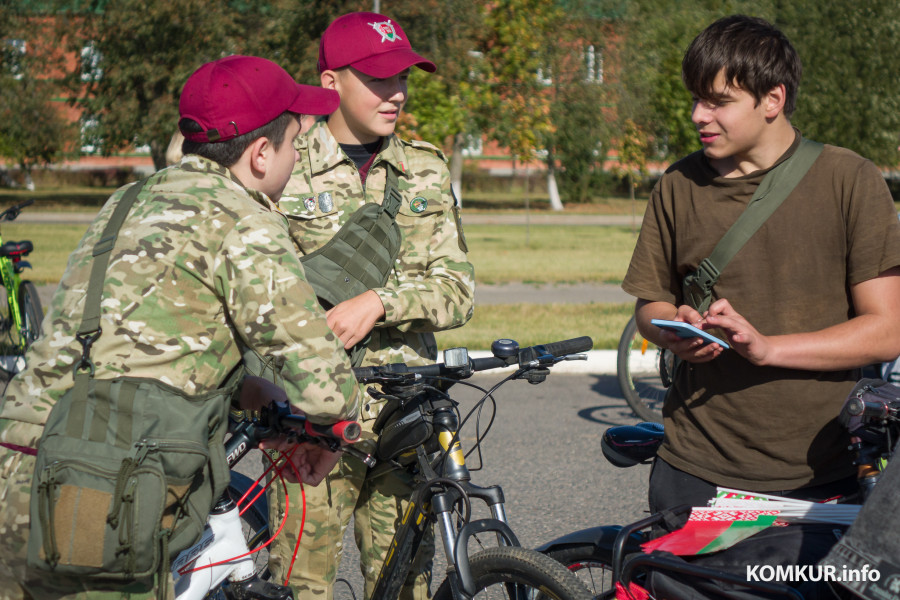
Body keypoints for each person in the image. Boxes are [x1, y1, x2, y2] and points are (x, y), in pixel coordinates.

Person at [0, 55, 361, 599]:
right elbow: (325, 386)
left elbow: (129, 344)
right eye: (295, 143)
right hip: (101, 495)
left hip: (20, 464)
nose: (298, 156)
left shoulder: (125, 202)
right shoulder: (245, 220)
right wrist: (334, 430)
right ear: (262, 155)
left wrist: (244, 390)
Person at [622, 13, 900, 597]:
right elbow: (650, 304)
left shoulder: (849, 180)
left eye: (718, 101)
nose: (699, 116)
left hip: (822, 482)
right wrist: (673, 328)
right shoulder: (677, 186)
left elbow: (889, 330)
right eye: (696, 100)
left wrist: (769, 348)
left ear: (772, 99)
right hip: (694, 474)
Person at [266, 11, 475, 600]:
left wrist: (380, 302)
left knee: (404, 582)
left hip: (407, 411)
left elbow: (457, 289)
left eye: (403, 76)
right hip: (313, 412)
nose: (397, 92)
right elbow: (259, 299)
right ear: (331, 82)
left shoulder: (425, 168)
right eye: (378, 78)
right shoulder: (281, 165)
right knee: (300, 584)